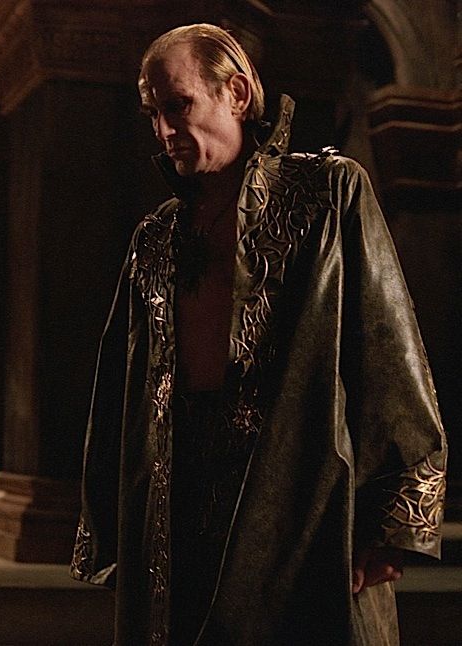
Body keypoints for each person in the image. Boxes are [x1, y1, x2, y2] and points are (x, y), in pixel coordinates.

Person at [71, 23, 447, 645]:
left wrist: (393, 521)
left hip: (299, 492)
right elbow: (119, 391)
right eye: (152, 114)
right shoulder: (156, 238)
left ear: (238, 93)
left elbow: (389, 351)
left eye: (178, 105)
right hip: (177, 498)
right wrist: (113, 529)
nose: (163, 131)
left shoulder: (328, 193)